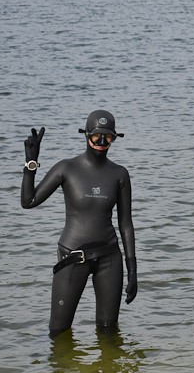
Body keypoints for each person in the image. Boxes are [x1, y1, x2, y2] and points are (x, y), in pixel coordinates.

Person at [21, 110, 137, 336]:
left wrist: (133, 270)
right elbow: (29, 201)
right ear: (86, 135)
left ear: (114, 137)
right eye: (96, 136)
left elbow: (126, 223)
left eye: (108, 137)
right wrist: (31, 164)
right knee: (58, 333)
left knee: (109, 333)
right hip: (72, 258)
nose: (102, 142)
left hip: (110, 259)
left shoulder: (120, 174)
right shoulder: (66, 168)